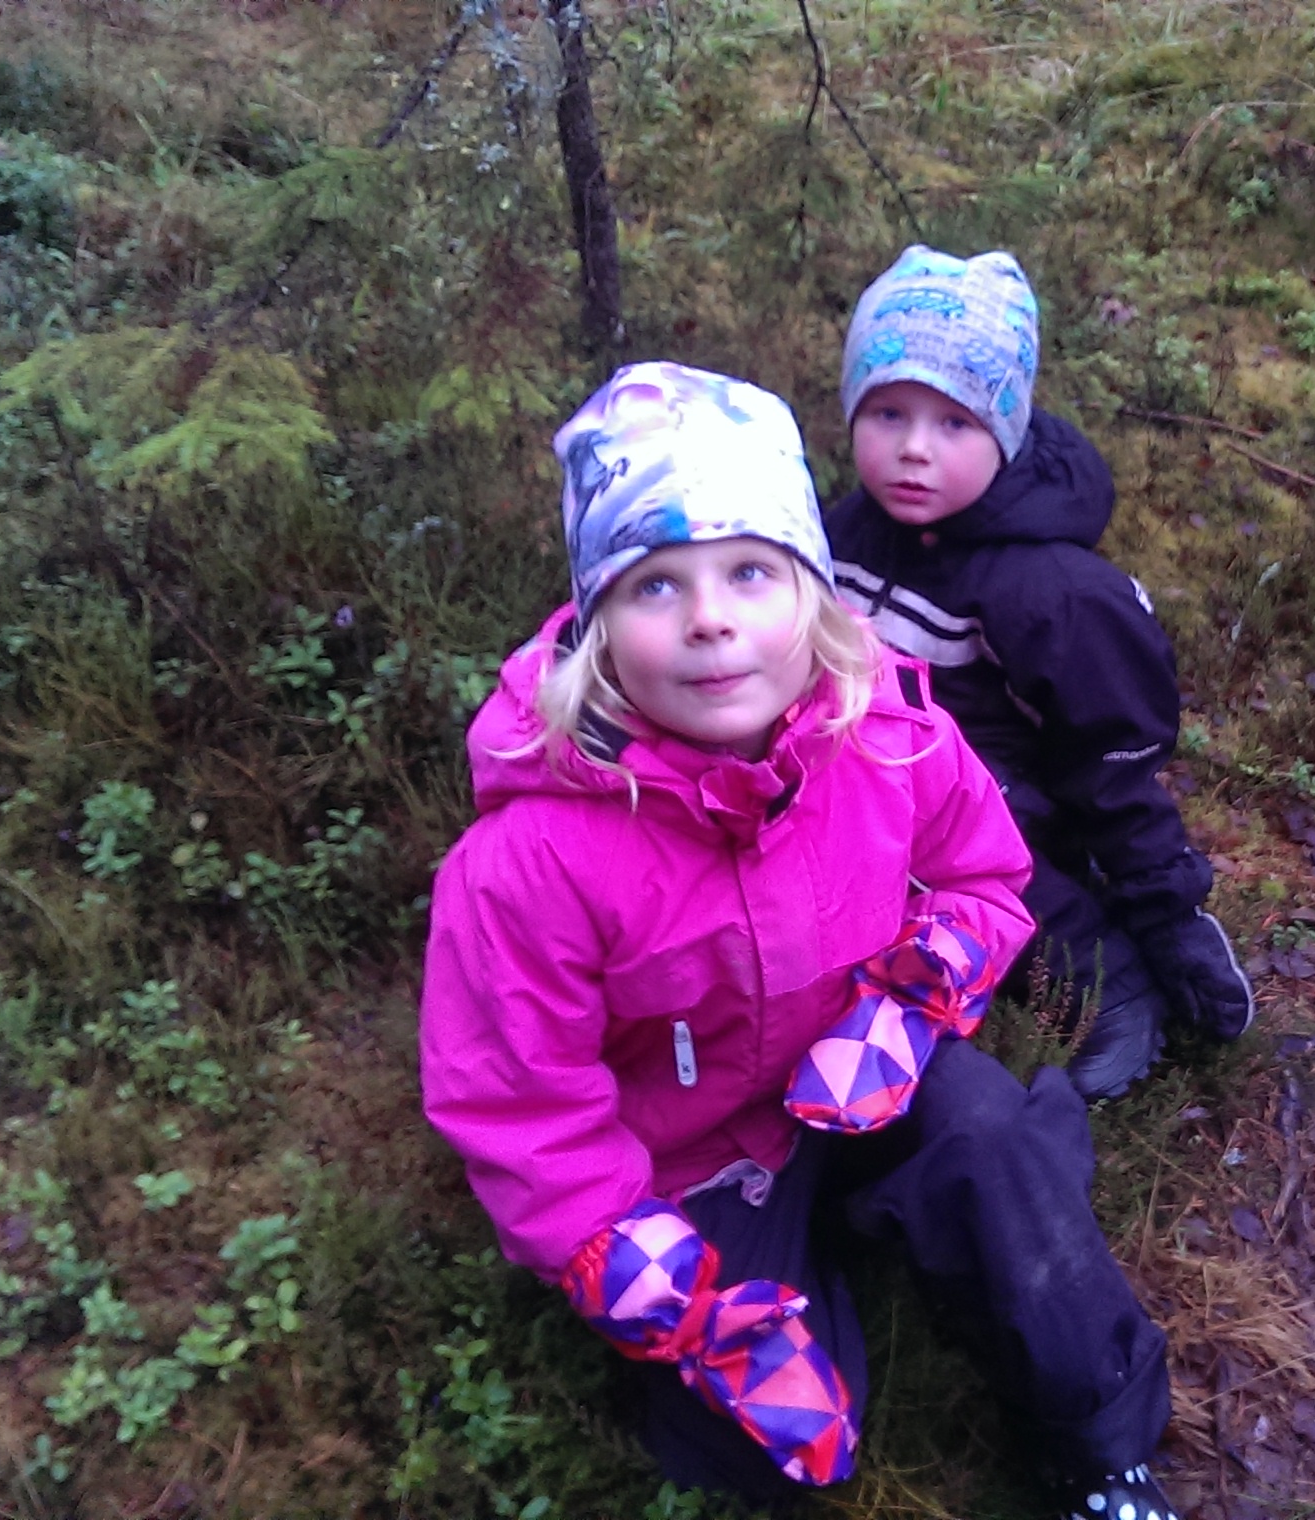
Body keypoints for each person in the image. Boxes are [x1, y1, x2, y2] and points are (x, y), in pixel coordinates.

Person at [417, 362, 1181, 1520]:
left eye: (750, 571)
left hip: (863, 1078)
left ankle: (1102, 1444)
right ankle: (763, 1300)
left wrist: (910, 1004)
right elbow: (522, 1106)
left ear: (813, 596)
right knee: (755, 1453)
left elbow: (983, 876)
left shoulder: (887, 736)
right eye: (655, 583)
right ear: (598, 627)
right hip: (690, 1165)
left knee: (990, 1136)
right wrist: (650, 1279)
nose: (711, 617)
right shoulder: (530, 862)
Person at [824, 244, 1256, 1101]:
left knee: (949, 828)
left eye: (954, 424)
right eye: (888, 414)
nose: (914, 450)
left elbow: (1113, 760)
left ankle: (1108, 986)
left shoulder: (1050, 591)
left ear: (1006, 430)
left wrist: (1164, 903)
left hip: (1004, 809)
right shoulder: (845, 532)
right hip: (865, 774)